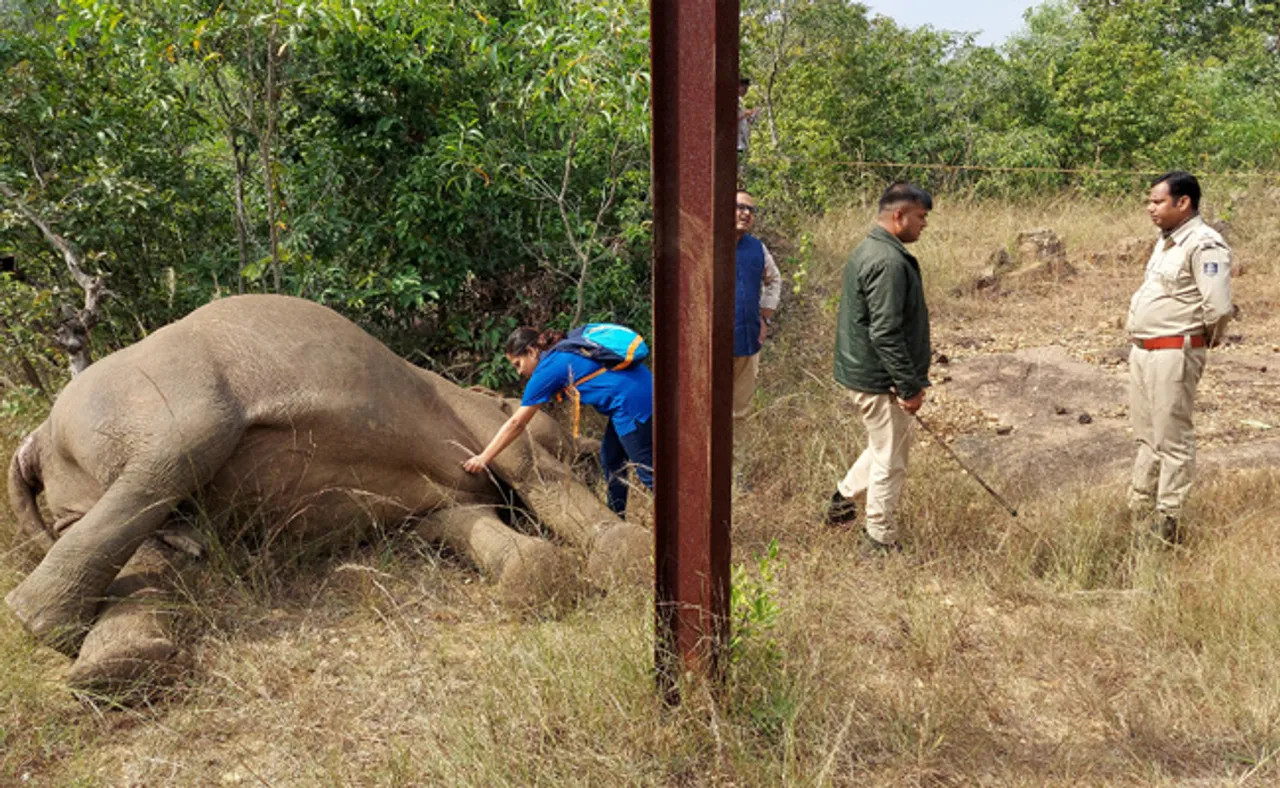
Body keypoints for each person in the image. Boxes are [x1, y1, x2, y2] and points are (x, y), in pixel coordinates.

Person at [824, 183, 933, 553]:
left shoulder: (874, 249)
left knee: (885, 444)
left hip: (869, 372)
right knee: (892, 459)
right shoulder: (887, 261)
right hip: (879, 378)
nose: (924, 225)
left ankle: (841, 500)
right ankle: (879, 538)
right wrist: (908, 385)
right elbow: (885, 331)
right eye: (921, 217)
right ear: (898, 215)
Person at [1126, 170, 1232, 544]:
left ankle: (1167, 521)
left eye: (1157, 201)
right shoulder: (1166, 242)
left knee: (1171, 438)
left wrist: (1198, 341)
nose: (1150, 208)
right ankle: (1140, 511)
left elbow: (1218, 307)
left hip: (1174, 352)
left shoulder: (1204, 244)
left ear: (1182, 202)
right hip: (1144, 351)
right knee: (1146, 436)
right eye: (1150, 201)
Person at [462, 327, 654, 516]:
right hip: (643, 388)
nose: (519, 372)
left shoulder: (548, 371)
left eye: (518, 364)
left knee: (648, 472)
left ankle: (682, 522)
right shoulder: (563, 348)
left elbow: (516, 424)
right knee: (611, 458)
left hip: (631, 406)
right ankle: (616, 518)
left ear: (531, 351)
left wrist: (483, 458)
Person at [732, 189, 782, 423]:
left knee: (740, 411)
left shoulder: (757, 247)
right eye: (740, 207)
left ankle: (735, 457)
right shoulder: (707, 244)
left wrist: (765, 317)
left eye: (750, 209)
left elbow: (774, 280)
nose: (746, 213)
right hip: (711, 346)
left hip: (748, 340)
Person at [737, 77, 760, 158]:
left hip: (742, 141)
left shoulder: (740, 101)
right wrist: (747, 113)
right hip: (736, 142)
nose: (746, 91)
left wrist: (750, 117)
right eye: (745, 88)